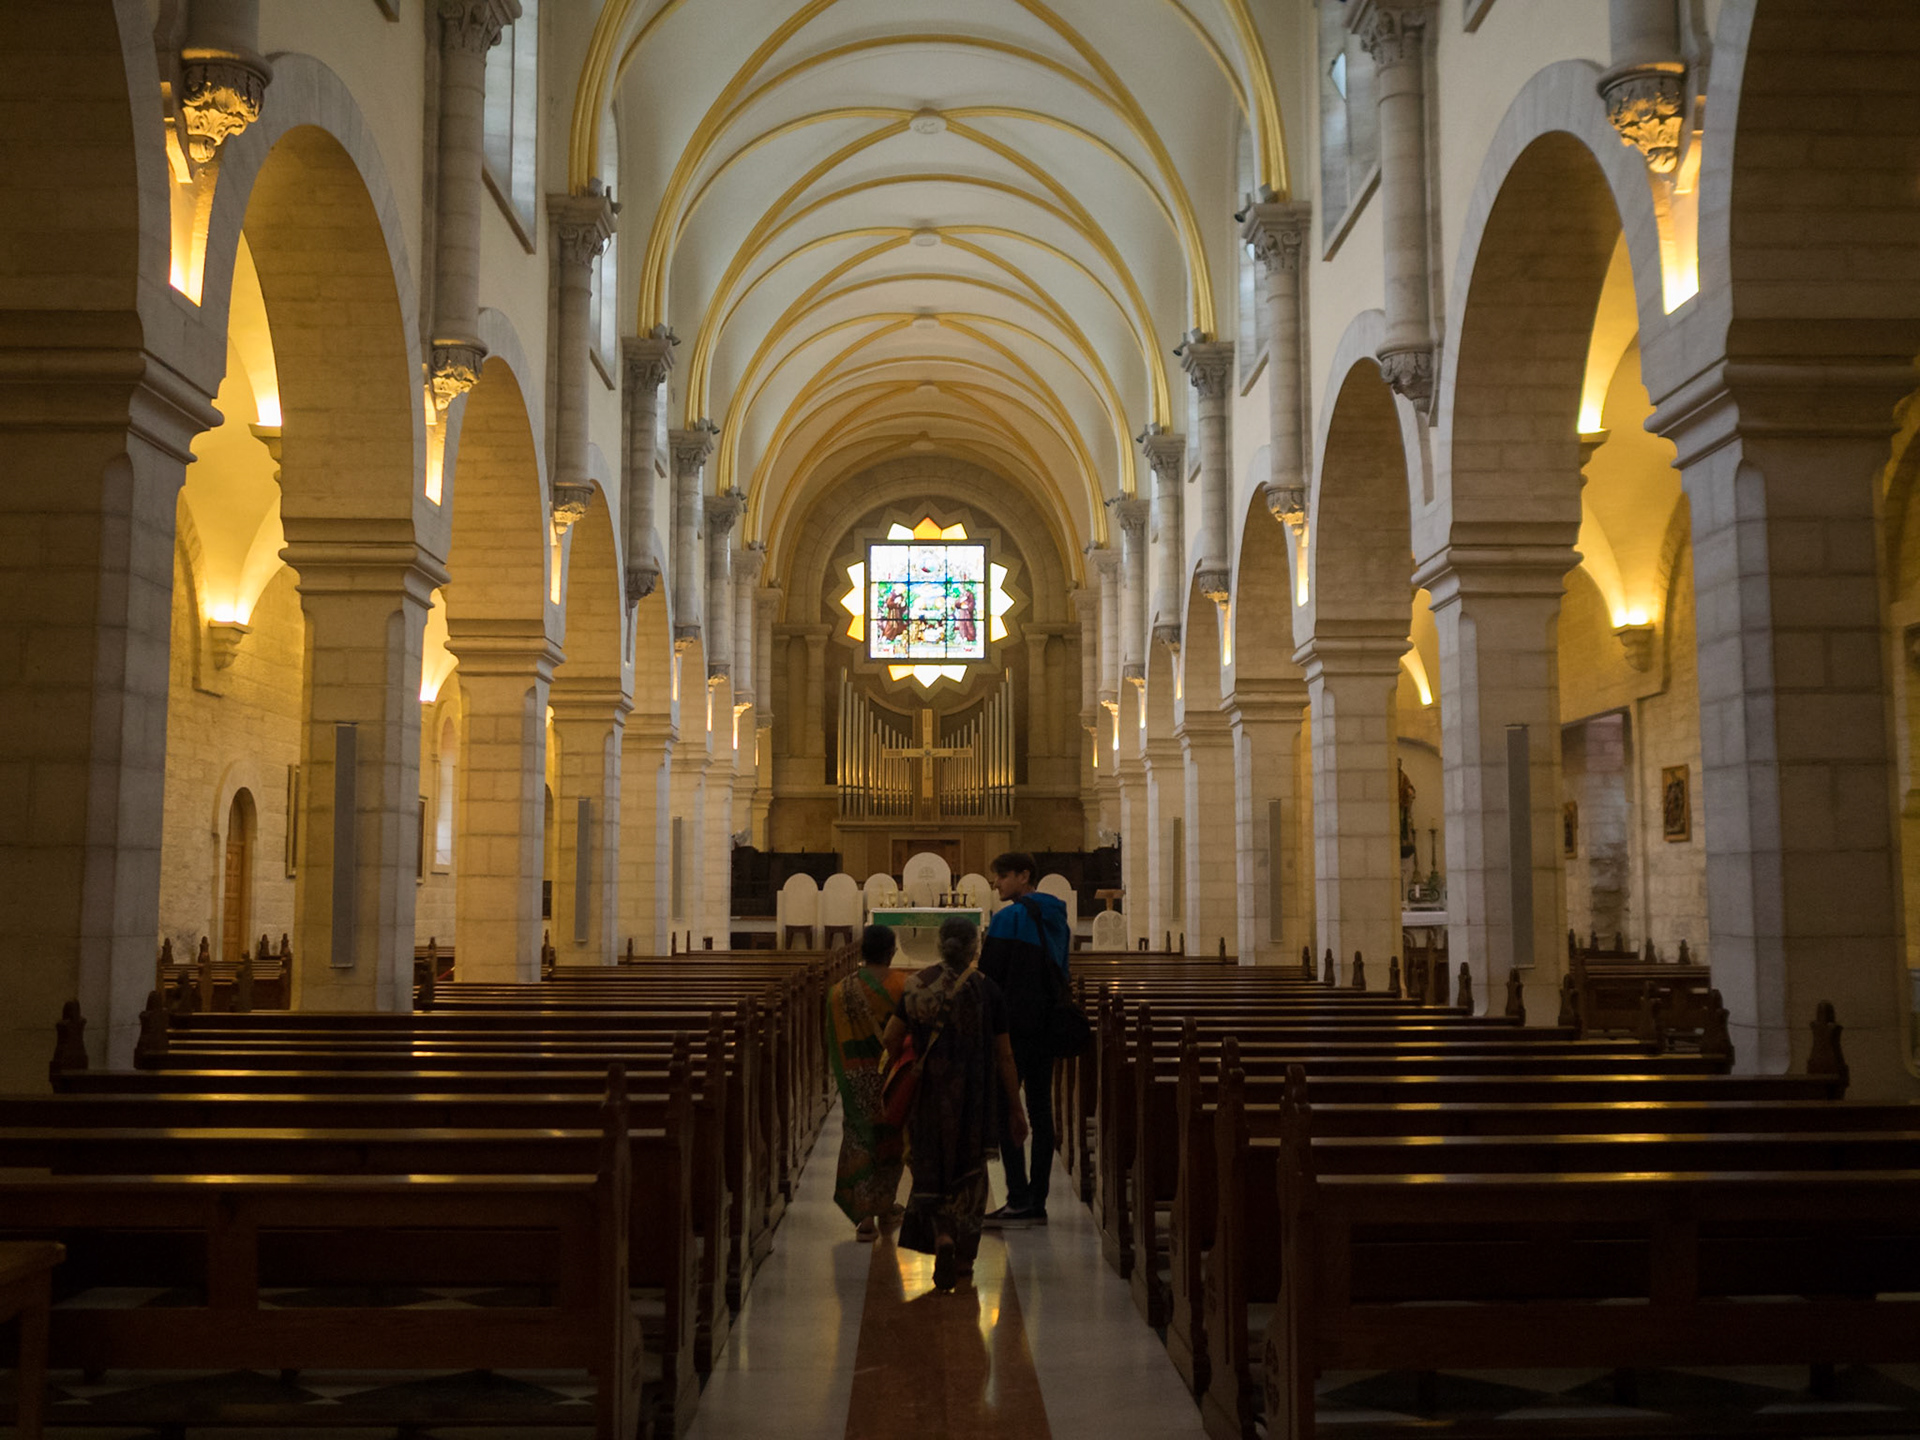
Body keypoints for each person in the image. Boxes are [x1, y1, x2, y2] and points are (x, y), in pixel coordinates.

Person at [882, 915, 1028, 1291]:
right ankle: (963, 1255)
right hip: (975, 1097)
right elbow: (1005, 1055)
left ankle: (941, 1235)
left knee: (928, 1164)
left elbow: (891, 1038)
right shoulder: (988, 989)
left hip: (929, 1092)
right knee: (970, 1171)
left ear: (940, 944)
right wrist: (1015, 1106)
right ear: (974, 947)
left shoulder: (916, 985)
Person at [975, 851, 1072, 1227]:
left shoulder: (1008, 918)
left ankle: (1017, 1198)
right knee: (1041, 1112)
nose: (996, 883)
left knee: (1007, 1110)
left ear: (1023, 875)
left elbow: (988, 976)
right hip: (1048, 1025)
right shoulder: (1057, 916)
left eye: (1001, 876)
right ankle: (1038, 1200)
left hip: (1013, 1031)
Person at [827, 924, 910, 1240]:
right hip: (892, 1074)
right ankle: (885, 1205)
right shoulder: (904, 985)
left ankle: (864, 1219)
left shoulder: (839, 992)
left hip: (855, 1074)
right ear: (891, 952)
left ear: (862, 953)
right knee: (892, 1137)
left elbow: (833, 1038)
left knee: (858, 1137)